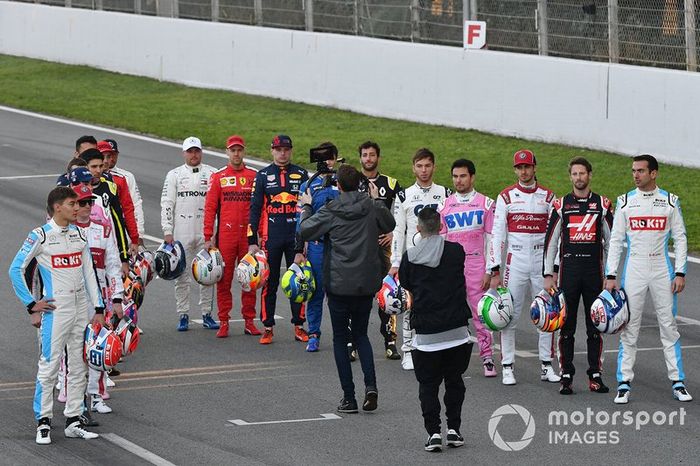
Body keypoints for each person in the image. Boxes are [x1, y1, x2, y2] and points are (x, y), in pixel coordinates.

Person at [9, 186, 103, 444]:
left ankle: (74, 419)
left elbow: (89, 274)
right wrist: (31, 304)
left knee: (78, 366)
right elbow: (15, 269)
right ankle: (43, 422)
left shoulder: (80, 235)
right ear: (58, 207)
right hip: (56, 309)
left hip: (81, 307)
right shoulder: (40, 235)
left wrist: (99, 308)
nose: (78, 208)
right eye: (73, 204)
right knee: (49, 367)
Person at [299, 164, 395, 413]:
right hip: (364, 284)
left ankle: (349, 397)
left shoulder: (331, 209)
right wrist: (376, 199)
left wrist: (307, 206)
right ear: (361, 185)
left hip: (339, 285)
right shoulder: (372, 206)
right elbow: (390, 223)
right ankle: (371, 386)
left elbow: (306, 230)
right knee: (362, 335)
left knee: (341, 339)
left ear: (338, 186)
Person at [605, 154, 691, 404]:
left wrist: (680, 272)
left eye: (641, 171)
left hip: (662, 268)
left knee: (668, 326)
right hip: (635, 267)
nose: (635, 175)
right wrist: (611, 276)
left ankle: (678, 382)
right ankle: (624, 383)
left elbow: (681, 237)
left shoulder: (670, 201)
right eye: (634, 170)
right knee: (629, 327)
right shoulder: (624, 202)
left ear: (653, 173)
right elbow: (616, 241)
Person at [399, 207, 472, 452]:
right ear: (441, 227)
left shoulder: (410, 257)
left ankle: (433, 433)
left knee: (428, 386)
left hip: (427, 335)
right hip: (457, 332)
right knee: (455, 381)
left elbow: (406, 285)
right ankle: (454, 429)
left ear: (418, 228)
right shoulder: (456, 252)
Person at [488, 149, 560, 386]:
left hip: (541, 263)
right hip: (515, 262)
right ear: (515, 170)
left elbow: (555, 237)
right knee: (508, 314)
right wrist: (494, 269)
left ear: (535, 167)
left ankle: (546, 365)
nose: (524, 171)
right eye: (519, 167)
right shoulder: (506, 197)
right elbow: (497, 234)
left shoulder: (549, 198)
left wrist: (554, 268)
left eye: (527, 166)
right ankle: (507, 366)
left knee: (547, 315)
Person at [542, 156, 613, 395]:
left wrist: (610, 274)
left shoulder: (602, 204)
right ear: (570, 176)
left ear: (590, 175)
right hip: (568, 273)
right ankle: (566, 375)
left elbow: (612, 242)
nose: (578, 178)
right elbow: (550, 242)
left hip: (594, 273)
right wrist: (548, 274)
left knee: (596, 325)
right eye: (574, 174)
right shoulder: (561, 205)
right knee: (566, 327)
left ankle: (595, 375)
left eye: (582, 173)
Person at [389, 148, 450, 371]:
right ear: (413, 167)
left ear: (434, 167)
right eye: (419, 166)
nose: (424, 170)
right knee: (410, 305)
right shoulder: (404, 195)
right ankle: (408, 350)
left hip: (437, 258)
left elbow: (450, 229)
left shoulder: (446, 192)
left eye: (427, 165)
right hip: (412, 260)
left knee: (438, 304)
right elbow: (397, 231)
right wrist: (396, 262)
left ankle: (435, 349)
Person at [247, 135, 310, 345]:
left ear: (291, 151)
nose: (282, 153)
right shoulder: (263, 175)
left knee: (299, 282)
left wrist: (306, 239)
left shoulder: (301, 174)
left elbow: (307, 210)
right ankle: (267, 327)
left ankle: (299, 326)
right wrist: (251, 239)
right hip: (270, 237)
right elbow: (254, 209)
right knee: (269, 283)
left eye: (286, 149)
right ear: (272, 151)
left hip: (295, 237)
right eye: (278, 149)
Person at [438, 159, 496, 378]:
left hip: (476, 265)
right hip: (453, 268)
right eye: (455, 176)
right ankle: (449, 358)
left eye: (462, 176)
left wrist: (490, 270)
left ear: (472, 177)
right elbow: (441, 242)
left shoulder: (486, 204)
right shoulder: (444, 205)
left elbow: (492, 240)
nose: (458, 180)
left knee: (480, 314)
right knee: (450, 314)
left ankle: (488, 357)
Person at [72, 184, 125, 413]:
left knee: (99, 348)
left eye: (89, 202)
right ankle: (74, 397)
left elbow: (113, 265)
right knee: (74, 351)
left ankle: (96, 395)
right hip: (72, 299)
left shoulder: (103, 229)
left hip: (99, 301)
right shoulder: (66, 230)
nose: (86, 207)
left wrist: (117, 298)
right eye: (81, 202)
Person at [203, 135, 259, 338]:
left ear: (244, 152)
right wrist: (208, 236)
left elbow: (260, 208)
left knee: (249, 279)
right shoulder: (218, 176)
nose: (236, 153)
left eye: (239, 150)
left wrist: (259, 236)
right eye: (232, 150)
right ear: (227, 152)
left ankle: (249, 321)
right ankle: (224, 321)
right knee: (223, 280)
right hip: (226, 235)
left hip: (248, 236)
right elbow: (210, 208)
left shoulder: (254, 175)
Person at [161, 136, 218, 331]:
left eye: (197, 151)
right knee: (181, 275)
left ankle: (206, 314)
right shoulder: (174, 175)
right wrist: (168, 231)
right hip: (181, 231)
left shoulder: (213, 174)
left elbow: (218, 205)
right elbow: (167, 204)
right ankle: (183, 314)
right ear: (184, 153)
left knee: (208, 274)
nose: (194, 155)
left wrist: (214, 233)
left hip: (206, 231)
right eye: (190, 151)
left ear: (201, 152)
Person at [357, 141, 402, 360]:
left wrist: (394, 234)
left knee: (388, 294)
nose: (368, 159)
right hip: (360, 249)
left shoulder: (391, 183)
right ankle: (354, 341)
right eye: (364, 155)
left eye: (372, 155)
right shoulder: (351, 182)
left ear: (378, 157)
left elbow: (404, 215)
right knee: (358, 296)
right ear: (360, 158)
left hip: (383, 249)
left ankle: (391, 341)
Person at [294, 142, 340, 352]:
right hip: (316, 247)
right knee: (314, 292)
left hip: (340, 247)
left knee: (340, 294)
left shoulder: (344, 182)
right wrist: (298, 250)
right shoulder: (307, 185)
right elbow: (300, 220)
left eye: (330, 157)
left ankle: (344, 336)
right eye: (323, 158)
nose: (326, 162)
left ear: (337, 159)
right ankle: (313, 334)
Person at [80, 150, 131, 271]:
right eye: (93, 167)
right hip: (80, 247)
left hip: (104, 247)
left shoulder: (110, 187)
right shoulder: (73, 190)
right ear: (84, 167)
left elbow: (119, 223)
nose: (98, 170)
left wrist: (124, 258)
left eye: (100, 166)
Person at [99, 138, 146, 243]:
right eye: (104, 156)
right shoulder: (91, 177)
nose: (109, 159)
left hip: (121, 229)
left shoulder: (125, 177)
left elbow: (135, 205)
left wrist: (139, 233)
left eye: (112, 155)